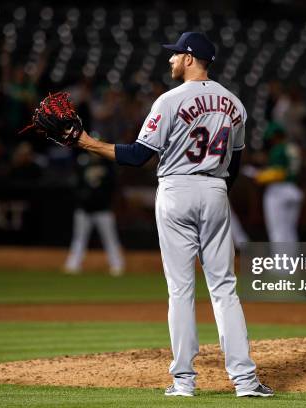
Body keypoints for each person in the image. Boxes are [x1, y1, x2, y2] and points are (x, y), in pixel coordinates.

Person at [73, 32, 273, 397]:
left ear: (191, 58)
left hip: (177, 189)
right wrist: (214, 194)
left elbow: (137, 156)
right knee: (225, 288)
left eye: (176, 54)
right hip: (215, 189)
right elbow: (236, 163)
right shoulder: (235, 103)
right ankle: (245, 381)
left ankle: (184, 382)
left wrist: (86, 142)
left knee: (181, 290)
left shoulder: (169, 100)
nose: (171, 59)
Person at [64, 150, 125, 276]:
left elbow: (112, 187)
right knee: (79, 239)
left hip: (103, 209)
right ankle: (73, 265)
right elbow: (76, 184)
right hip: (84, 209)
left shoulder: (107, 166)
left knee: (110, 239)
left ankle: (117, 265)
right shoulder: (82, 164)